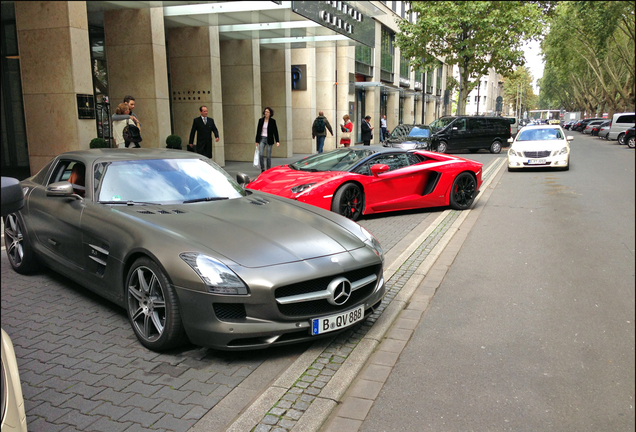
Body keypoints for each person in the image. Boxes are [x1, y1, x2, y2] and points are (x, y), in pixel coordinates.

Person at [254, 107, 280, 173]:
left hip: (269, 139)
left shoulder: (272, 121)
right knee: (261, 154)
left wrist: (277, 141)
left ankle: (268, 169)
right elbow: (258, 131)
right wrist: (257, 141)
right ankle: (262, 168)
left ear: (270, 113)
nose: (266, 113)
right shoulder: (261, 120)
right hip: (262, 139)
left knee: (268, 156)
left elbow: (275, 131)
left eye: (268, 112)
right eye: (265, 112)